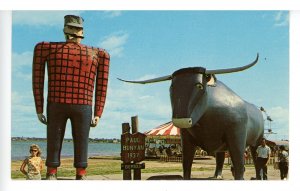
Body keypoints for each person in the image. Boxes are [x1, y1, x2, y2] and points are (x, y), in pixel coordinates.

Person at [32, 15, 110, 180]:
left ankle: (79, 173)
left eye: (76, 29)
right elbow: (37, 79)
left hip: (80, 104)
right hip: (60, 102)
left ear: (81, 31)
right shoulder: (46, 48)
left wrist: (98, 112)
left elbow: (102, 85)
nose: (73, 32)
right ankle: (53, 171)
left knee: (81, 139)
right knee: (54, 138)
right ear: (65, 30)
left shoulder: (99, 54)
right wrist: (39, 107)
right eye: (71, 28)